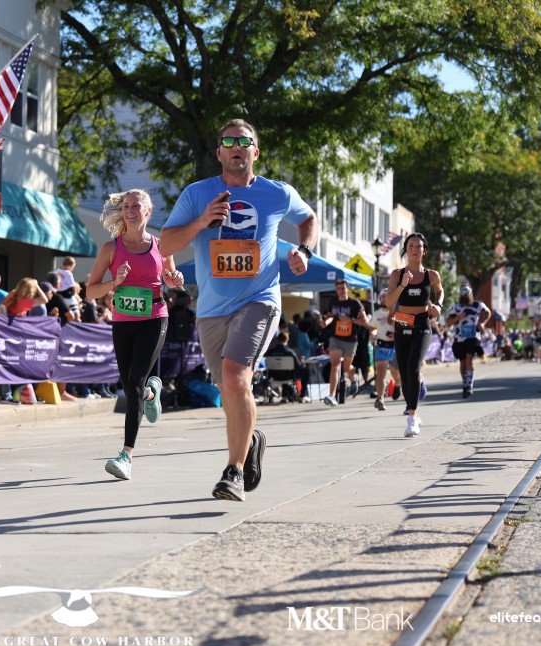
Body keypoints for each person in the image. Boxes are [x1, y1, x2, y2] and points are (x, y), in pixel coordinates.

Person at [160, 119, 318, 501]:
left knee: (235, 375)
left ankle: (233, 472)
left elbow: (308, 218)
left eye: (244, 141)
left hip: (259, 300)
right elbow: (165, 245)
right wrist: (202, 221)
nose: (236, 147)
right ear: (219, 153)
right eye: (228, 142)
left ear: (255, 152)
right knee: (231, 390)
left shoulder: (277, 193)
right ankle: (251, 440)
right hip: (211, 309)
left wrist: (304, 251)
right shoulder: (197, 194)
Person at [86, 189, 184, 481]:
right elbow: (90, 292)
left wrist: (175, 279)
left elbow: (170, 277)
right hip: (123, 321)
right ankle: (152, 393)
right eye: (126, 206)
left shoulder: (161, 246)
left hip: (154, 317)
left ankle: (126, 455)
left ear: (148, 212)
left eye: (136, 206)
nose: (130, 210)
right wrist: (114, 283)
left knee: (134, 382)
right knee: (133, 387)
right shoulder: (111, 248)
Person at [384, 232, 444, 437]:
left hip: (422, 325)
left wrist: (438, 305)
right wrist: (403, 285)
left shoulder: (431, 275)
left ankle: (411, 417)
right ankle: (414, 413)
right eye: (411, 246)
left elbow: (440, 291)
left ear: (424, 251)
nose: (414, 249)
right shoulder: (397, 275)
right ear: (406, 250)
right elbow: (389, 303)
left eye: (419, 246)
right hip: (402, 326)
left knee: (413, 368)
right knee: (404, 373)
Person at [321, 278, 369, 406]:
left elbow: (365, 321)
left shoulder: (355, 303)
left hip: (350, 339)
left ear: (348, 289)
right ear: (336, 290)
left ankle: (354, 378)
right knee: (335, 366)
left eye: (343, 288)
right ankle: (332, 396)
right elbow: (330, 316)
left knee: (347, 368)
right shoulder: (333, 301)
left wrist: (350, 320)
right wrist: (325, 322)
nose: (341, 291)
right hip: (335, 338)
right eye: (339, 288)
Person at [445, 284, 491, 398]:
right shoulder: (456, 307)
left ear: (471, 293)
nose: (465, 295)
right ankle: (465, 383)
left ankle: (469, 386)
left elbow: (488, 312)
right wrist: (457, 318)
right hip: (460, 338)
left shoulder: (478, 305)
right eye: (463, 293)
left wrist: (483, 323)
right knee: (462, 364)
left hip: (473, 336)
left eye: (467, 293)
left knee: (469, 360)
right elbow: (448, 322)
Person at [368, 288, 401, 410]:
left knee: (395, 372)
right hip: (382, 345)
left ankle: (397, 384)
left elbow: (406, 328)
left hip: (396, 345)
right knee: (380, 372)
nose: (384, 299)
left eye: (386, 296)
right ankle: (380, 398)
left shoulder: (398, 312)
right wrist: (373, 334)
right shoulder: (377, 314)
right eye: (382, 297)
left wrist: (397, 334)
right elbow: (372, 328)